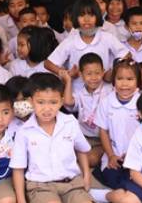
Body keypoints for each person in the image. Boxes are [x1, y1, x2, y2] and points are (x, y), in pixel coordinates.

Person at [10, 73, 93, 203]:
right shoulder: (24, 131)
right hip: (41, 187)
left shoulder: (70, 123)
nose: (47, 109)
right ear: (31, 102)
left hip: (72, 184)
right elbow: (18, 168)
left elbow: (81, 149)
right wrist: (21, 200)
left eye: (53, 102)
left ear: (61, 102)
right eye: (40, 102)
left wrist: (86, 176)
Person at [46, 0, 128, 90]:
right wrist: (65, 73)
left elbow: (126, 54)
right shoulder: (70, 41)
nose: (86, 19)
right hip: (77, 92)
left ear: (98, 16)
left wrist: (113, 71)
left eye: (91, 15)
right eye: (82, 15)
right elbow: (48, 63)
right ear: (75, 18)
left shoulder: (107, 37)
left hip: (104, 91)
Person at [94, 60, 142, 200]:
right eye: (120, 78)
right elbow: (103, 131)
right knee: (112, 177)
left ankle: (108, 196)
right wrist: (111, 155)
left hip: (137, 157)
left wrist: (133, 155)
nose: (124, 84)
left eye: (130, 79)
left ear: (138, 82)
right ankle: (116, 195)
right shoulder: (106, 102)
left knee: (136, 181)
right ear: (113, 81)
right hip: (114, 155)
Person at [62, 53, 112, 168]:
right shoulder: (80, 93)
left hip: (103, 140)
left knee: (91, 160)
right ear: (81, 75)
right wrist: (68, 80)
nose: (94, 77)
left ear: (103, 72)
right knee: (63, 152)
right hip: (84, 137)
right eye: (89, 74)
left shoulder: (109, 90)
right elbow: (68, 102)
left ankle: (88, 156)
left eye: (97, 73)